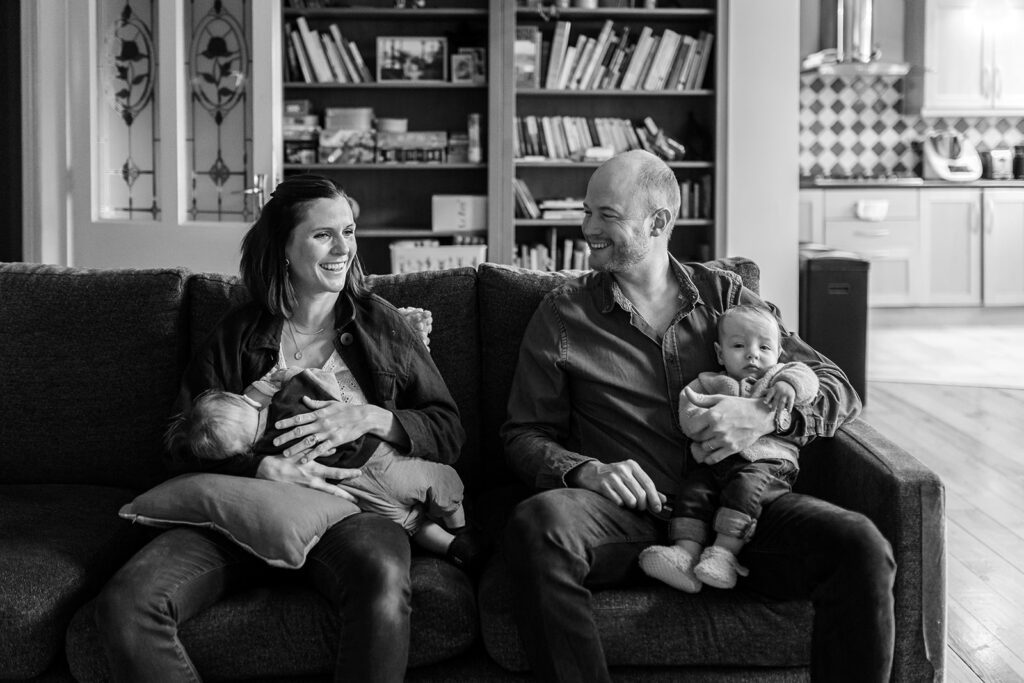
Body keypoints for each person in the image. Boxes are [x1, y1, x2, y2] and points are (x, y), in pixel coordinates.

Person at [500, 149, 895, 682]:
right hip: (632, 513)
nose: (588, 227)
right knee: (538, 524)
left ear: (659, 222)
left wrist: (764, 418)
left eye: (606, 215)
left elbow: (836, 386)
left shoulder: (727, 295)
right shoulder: (564, 312)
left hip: (744, 503)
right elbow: (524, 434)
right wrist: (588, 471)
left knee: (861, 545)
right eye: (587, 211)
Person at [95, 174, 465, 683]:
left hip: (352, 513)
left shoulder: (382, 324)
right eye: (323, 235)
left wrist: (372, 417)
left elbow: (447, 427)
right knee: (127, 602)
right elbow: (180, 443)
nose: (344, 249)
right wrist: (261, 465)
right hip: (243, 511)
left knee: (381, 581)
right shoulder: (240, 332)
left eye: (350, 232)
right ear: (284, 248)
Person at [170, 361, 486, 572]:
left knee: (412, 524)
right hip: (380, 462)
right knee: (444, 481)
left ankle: (454, 549)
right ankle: (461, 528)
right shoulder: (288, 397)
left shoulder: (263, 449)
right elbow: (324, 383)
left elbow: (445, 429)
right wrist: (277, 381)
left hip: (351, 491)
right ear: (245, 401)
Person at [637, 304, 820, 592]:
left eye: (764, 347)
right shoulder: (709, 382)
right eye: (738, 345)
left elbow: (809, 378)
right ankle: (684, 554)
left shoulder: (778, 375)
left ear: (778, 353)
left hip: (767, 462)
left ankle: (724, 554)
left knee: (745, 490)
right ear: (720, 353)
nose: (752, 353)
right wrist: (706, 421)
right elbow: (688, 412)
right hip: (714, 463)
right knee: (693, 491)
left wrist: (789, 386)